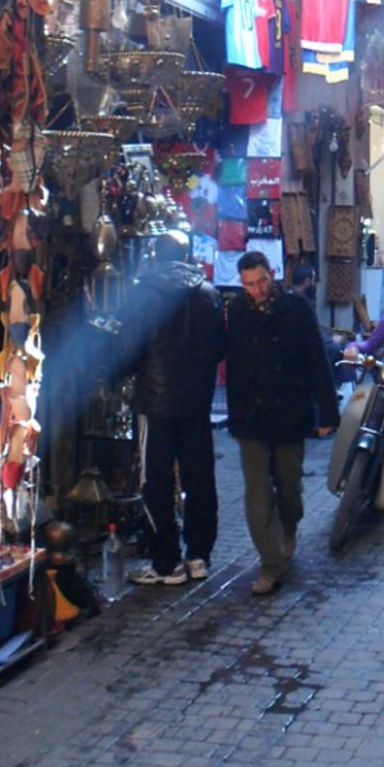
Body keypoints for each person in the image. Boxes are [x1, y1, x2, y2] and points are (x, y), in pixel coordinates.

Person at [226, 250, 340, 595]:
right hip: (252, 417)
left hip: (290, 413)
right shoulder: (238, 311)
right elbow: (233, 365)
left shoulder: (297, 309)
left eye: (261, 281)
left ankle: (288, 530)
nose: (256, 290)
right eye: (248, 284)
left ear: (272, 274)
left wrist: (327, 411)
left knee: (290, 491)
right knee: (257, 495)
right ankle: (271, 565)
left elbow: (316, 361)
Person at [125, 230, 226, 586]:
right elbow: (218, 349)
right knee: (200, 477)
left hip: (155, 401)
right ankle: (199, 555)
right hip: (197, 402)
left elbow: (131, 347)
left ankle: (167, 562)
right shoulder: (209, 294)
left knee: (156, 480)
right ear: (187, 255)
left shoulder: (142, 293)